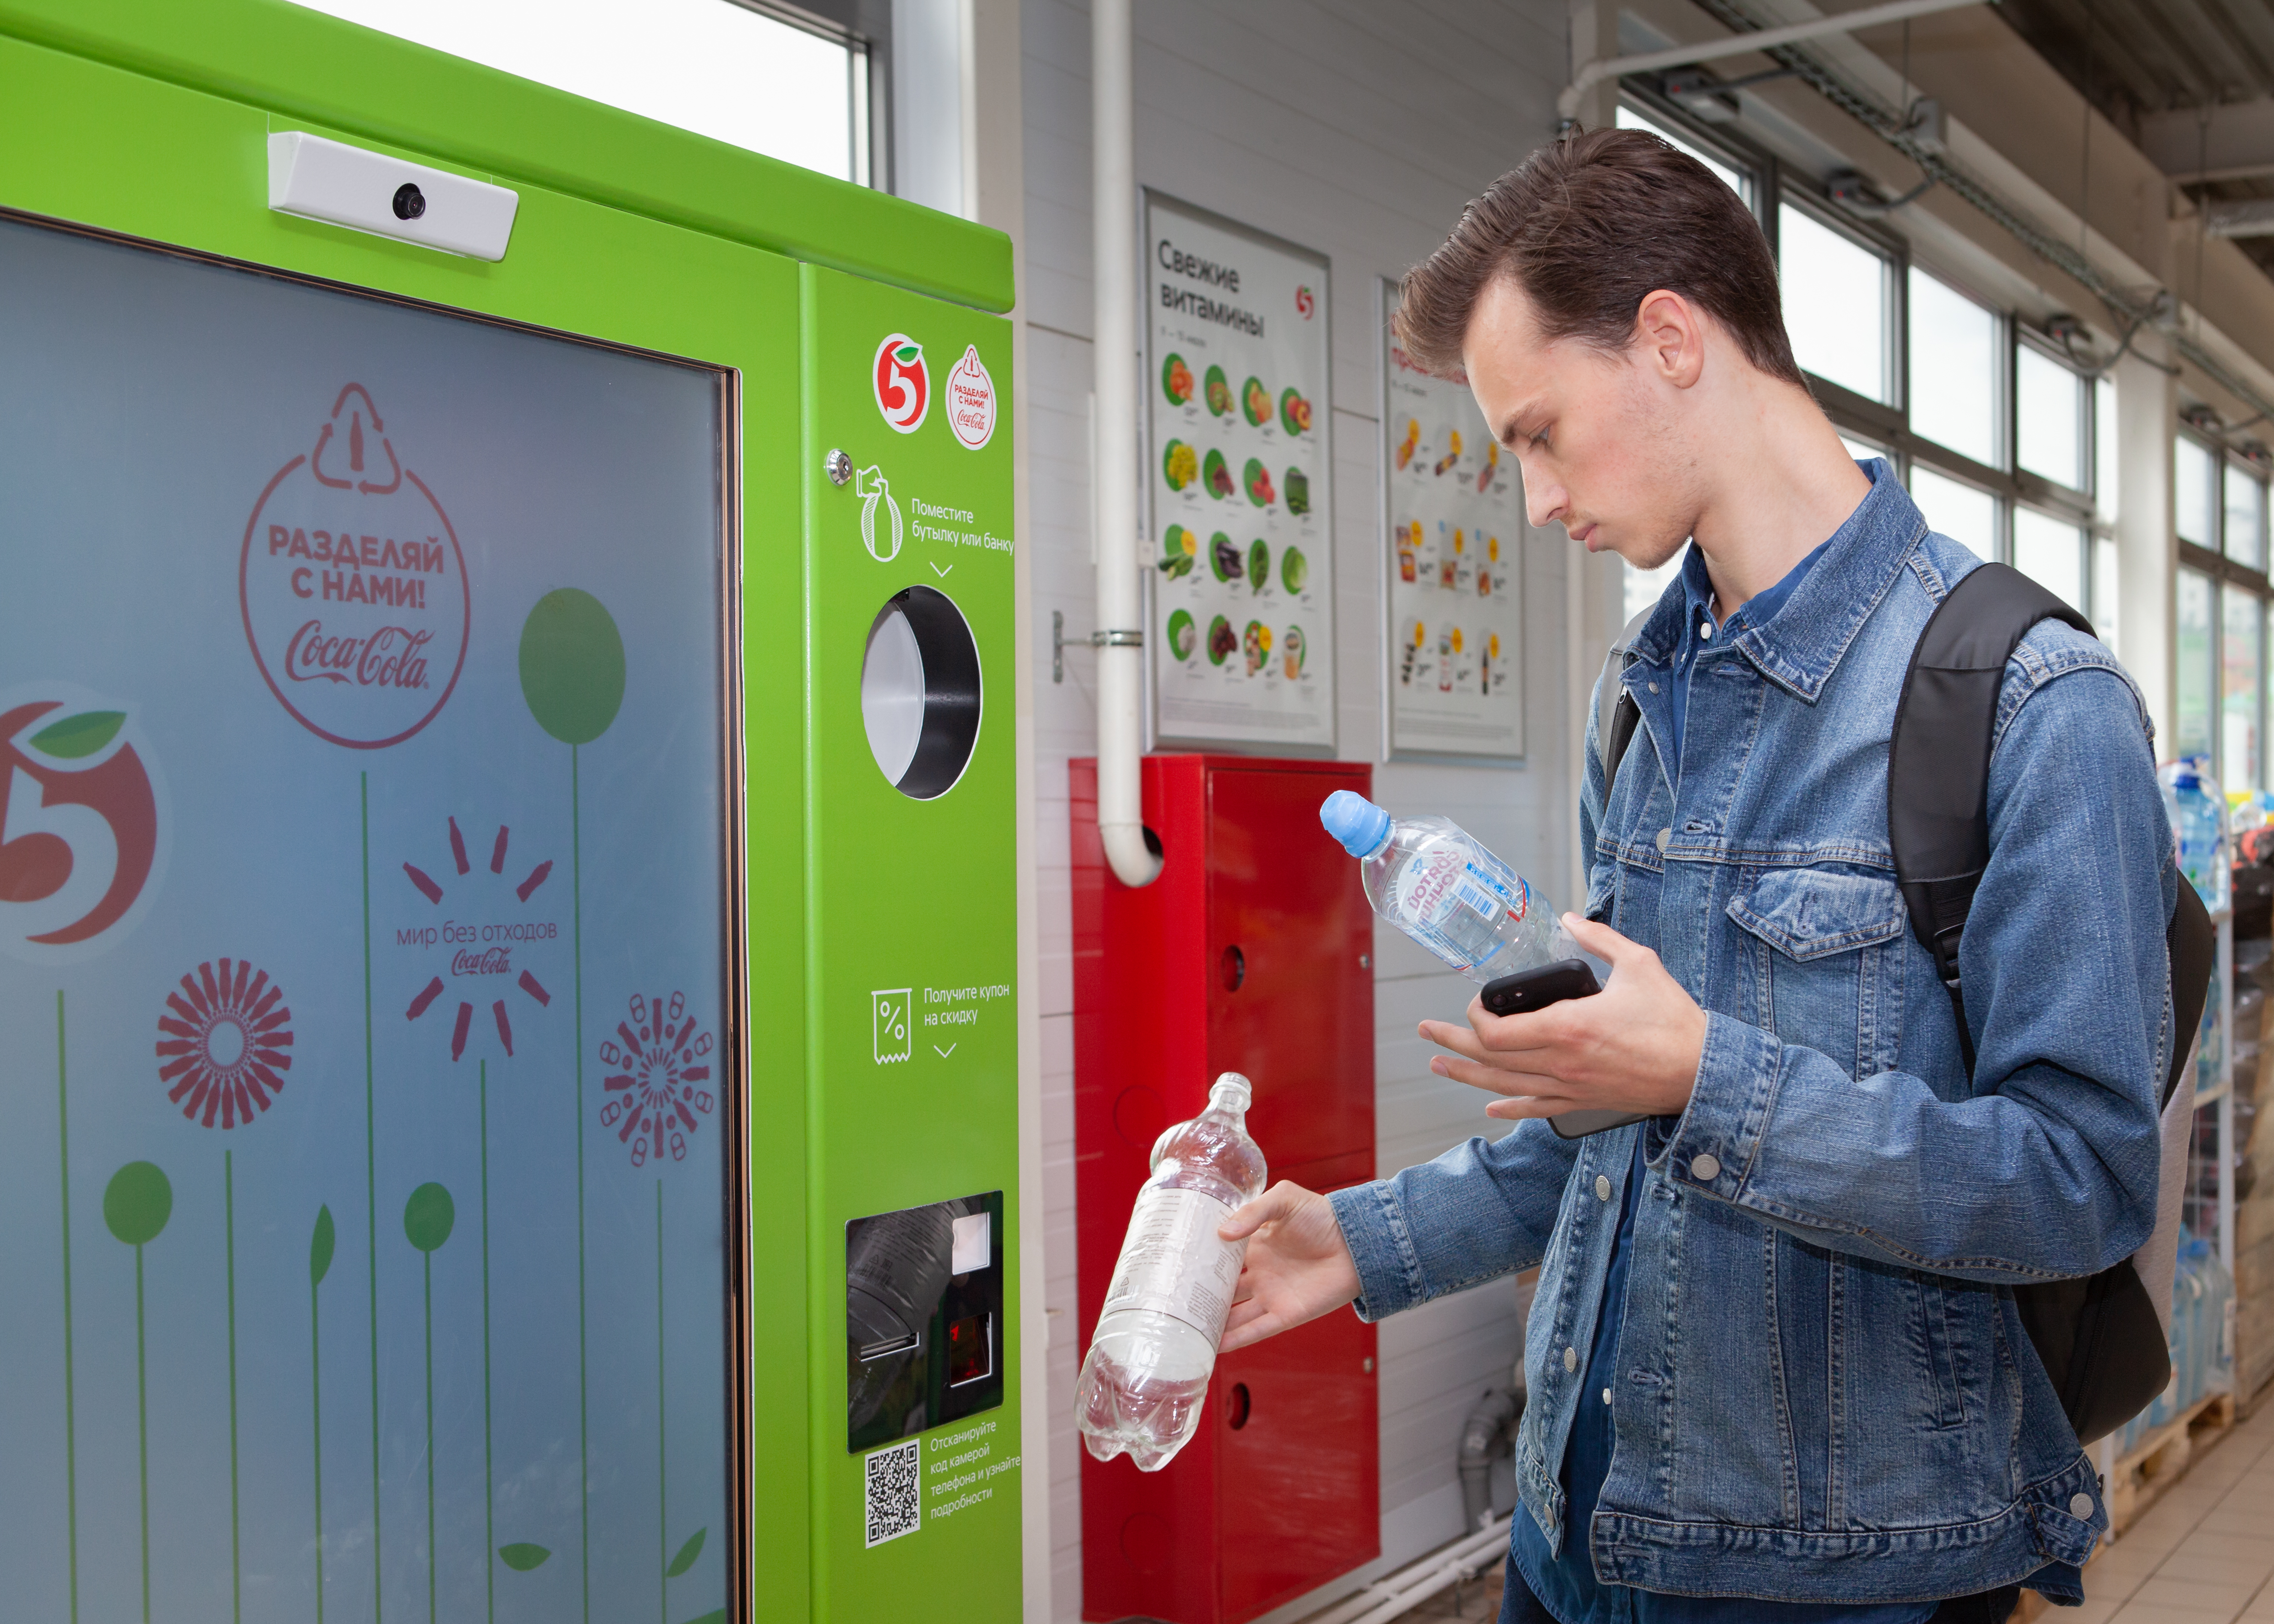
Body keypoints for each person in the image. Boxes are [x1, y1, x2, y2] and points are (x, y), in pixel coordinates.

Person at [1217, 126, 2173, 1624]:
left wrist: (1708, 1080)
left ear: (1671, 338)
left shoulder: (2029, 704)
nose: (1533, 500)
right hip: (1575, 1533)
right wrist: (1356, 1240)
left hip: (1826, 1580)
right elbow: (1608, 1125)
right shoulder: (1644, 703)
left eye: (1536, 431)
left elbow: (2081, 1186)